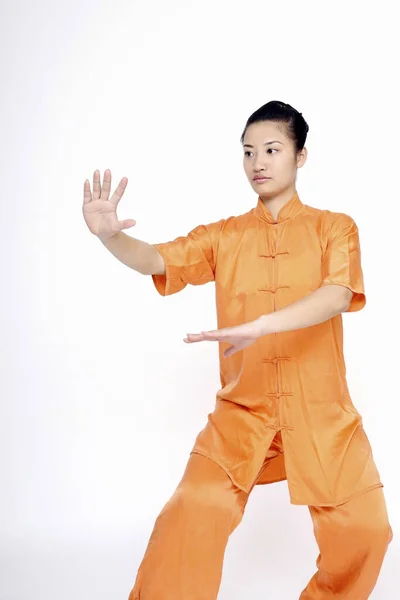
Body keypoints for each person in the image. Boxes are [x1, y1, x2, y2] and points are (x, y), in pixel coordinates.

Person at [82, 100, 393, 599]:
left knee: (367, 531)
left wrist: (263, 325)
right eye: (248, 152)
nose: (258, 163)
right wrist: (111, 238)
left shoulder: (334, 227)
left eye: (272, 150)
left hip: (322, 415)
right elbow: (158, 259)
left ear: (301, 156)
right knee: (192, 510)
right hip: (243, 413)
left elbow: (337, 294)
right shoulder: (224, 236)